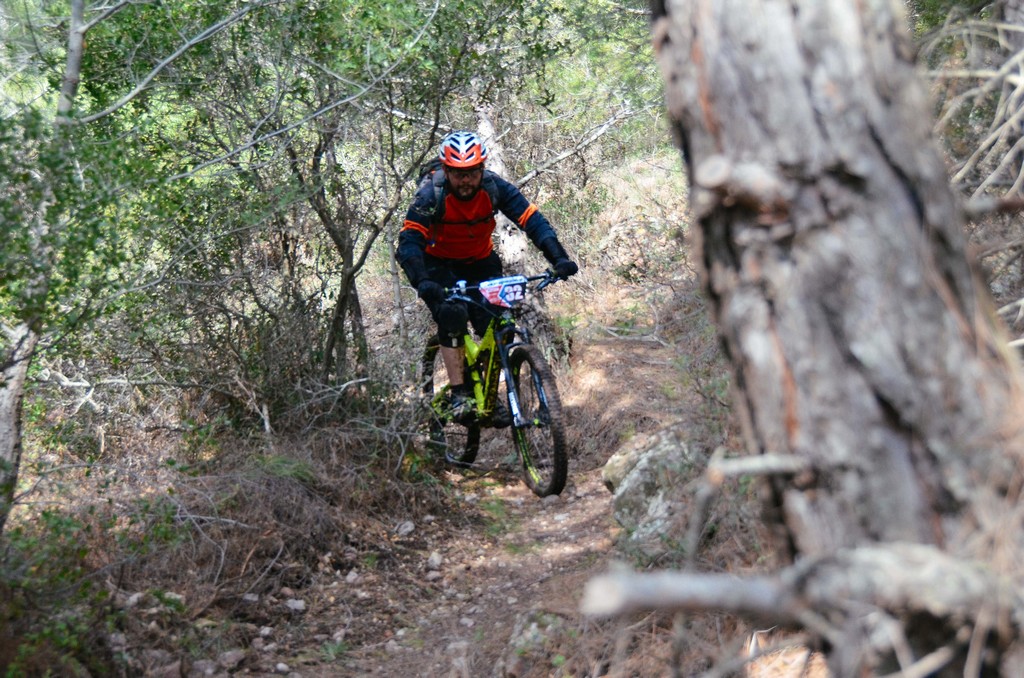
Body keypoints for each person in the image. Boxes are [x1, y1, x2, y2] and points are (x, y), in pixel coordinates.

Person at [398, 130, 579, 421]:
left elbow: (532, 220)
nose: (466, 180)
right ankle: (460, 394)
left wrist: (559, 258)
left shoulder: (494, 187)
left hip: (480, 262)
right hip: (438, 264)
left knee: (495, 323)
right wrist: (422, 281)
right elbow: (409, 240)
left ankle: (489, 396)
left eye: (472, 173)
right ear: (446, 171)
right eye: (459, 174)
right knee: (452, 314)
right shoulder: (431, 192)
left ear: (482, 169)